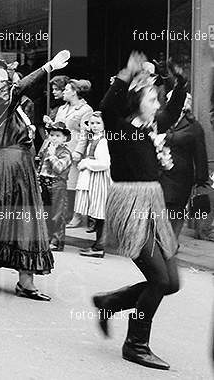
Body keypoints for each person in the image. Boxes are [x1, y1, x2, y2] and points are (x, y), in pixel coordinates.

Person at [91, 51, 184, 370]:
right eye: (152, 99)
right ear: (136, 100)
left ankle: (109, 302)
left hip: (152, 204)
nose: (158, 104)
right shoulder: (118, 127)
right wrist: (127, 73)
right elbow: (106, 105)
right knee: (158, 279)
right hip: (130, 207)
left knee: (172, 282)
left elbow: (171, 111)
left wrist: (179, 81)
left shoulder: (151, 126)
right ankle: (136, 344)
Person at [0, 51, 71, 302]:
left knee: (20, 220)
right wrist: (48, 67)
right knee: (9, 218)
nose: (13, 81)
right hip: (6, 166)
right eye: (8, 79)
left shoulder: (12, 106)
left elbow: (20, 91)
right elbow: (19, 87)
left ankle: (19, 280)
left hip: (17, 166)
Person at [160, 92, 209, 239]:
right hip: (161, 174)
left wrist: (201, 180)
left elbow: (200, 154)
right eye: (169, 100)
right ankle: (164, 243)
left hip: (181, 177)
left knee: (175, 210)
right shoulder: (162, 120)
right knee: (161, 209)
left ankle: (171, 243)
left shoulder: (194, 126)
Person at [55, 79, 93, 230]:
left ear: (74, 92)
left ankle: (78, 216)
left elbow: (85, 133)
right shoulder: (62, 109)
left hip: (74, 149)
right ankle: (66, 214)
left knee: (76, 185)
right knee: (63, 184)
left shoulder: (86, 110)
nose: (63, 92)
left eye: (66, 89)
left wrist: (79, 151)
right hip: (60, 150)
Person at [76, 112, 111, 258]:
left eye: (98, 123)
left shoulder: (103, 141)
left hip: (100, 179)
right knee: (97, 213)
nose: (94, 126)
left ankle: (99, 247)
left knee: (100, 213)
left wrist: (86, 163)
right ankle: (97, 244)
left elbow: (104, 163)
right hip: (94, 178)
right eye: (92, 123)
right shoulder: (94, 139)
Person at [36, 121, 73, 251]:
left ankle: (57, 241)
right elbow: (40, 166)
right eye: (52, 135)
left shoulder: (65, 153)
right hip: (44, 182)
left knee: (57, 214)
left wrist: (52, 155)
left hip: (57, 184)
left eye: (57, 136)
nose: (54, 138)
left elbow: (59, 168)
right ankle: (46, 237)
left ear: (64, 138)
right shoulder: (47, 149)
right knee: (45, 212)